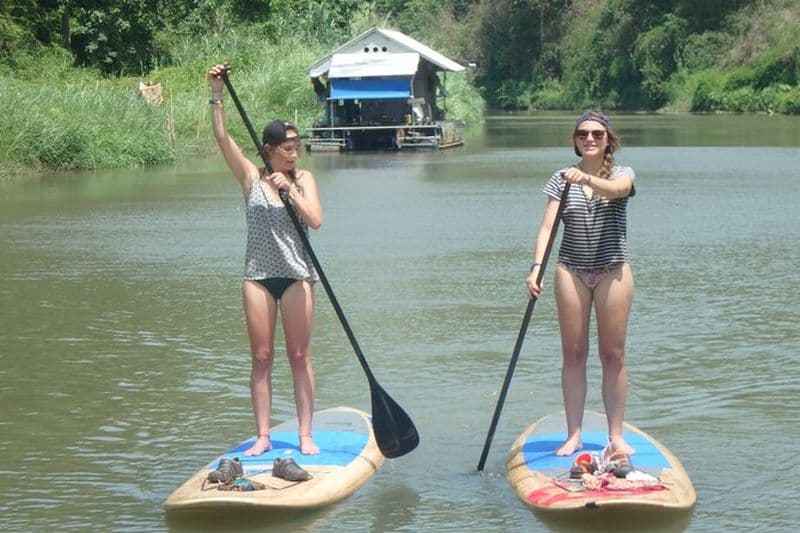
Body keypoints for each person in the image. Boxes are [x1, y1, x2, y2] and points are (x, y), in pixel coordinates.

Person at [206, 63, 322, 456]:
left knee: (299, 354)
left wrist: (290, 190)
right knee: (261, 356)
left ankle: (306, 435)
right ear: (269, 149)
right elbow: (222, 139)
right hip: (257, 276)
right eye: (287, 146)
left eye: (297, 144)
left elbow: (316, 221)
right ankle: (263, 436)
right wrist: (217, 94)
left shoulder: (303, 178)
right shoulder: (250, 178)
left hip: (296, 276)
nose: (294, 151)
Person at [526, 109, 636, 459]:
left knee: (612, 355)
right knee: (574, 355)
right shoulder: (561, 178)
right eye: (582, 134)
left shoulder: (622, 173)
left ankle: (615, 436)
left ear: (608, 141)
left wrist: (586, 180)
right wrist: (536, 267)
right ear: (575, 140)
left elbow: (618, 191)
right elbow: (546, 228)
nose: (589, 138)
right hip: (571, 269)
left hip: (612, 271)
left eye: (597, 134)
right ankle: (574, 435)